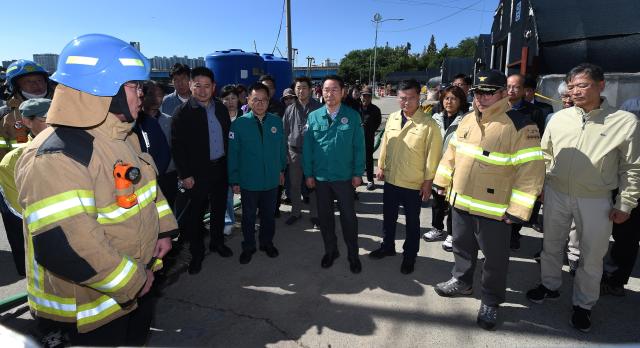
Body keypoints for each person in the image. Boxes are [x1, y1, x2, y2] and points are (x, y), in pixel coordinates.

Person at [15, 34, 177, 346]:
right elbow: (65, 246)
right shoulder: (58, 154)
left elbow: (148, 194)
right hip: (88, 314)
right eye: (135, 86)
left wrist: (164, 231)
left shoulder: (123, 137)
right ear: (104, 89)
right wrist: (134, 280)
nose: (142, 94)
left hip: (133, 291)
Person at [526, 63, 640, 333]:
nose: (575, 91)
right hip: (556, 193)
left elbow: (632, 167)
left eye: (582, 85)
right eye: (572, 86)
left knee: (591, 255)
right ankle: (550, 285)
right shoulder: (559, 118)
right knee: (551, 245)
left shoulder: (624, 122)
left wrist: (626, 203)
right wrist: (541, 185)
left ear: (601, 86)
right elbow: (544, 154)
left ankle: (584, 305)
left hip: (596, 199)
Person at [432, 70, 545, 331]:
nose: (481, 98)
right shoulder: (468, 119)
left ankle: (491, 300)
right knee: (462, 246)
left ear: (504, 93)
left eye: (489, 92)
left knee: (494, 259)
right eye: (477, 93)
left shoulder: (521, 125)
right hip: (460, 201)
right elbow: (452, 154)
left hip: (495, 209)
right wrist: (441, 181)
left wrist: (518, 210)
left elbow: (531, 171)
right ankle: (462, 281)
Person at [370, 79, 442, 274]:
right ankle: (387, 246)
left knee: (412, 222)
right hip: (392, 179)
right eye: (402, 98)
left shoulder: (429, 125)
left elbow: (432, 157)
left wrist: (428, 183)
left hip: (414, 182)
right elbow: (386, 143)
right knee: (389, 218)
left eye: (411, 98)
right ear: (398, 98)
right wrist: (381, 165)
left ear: (419, 97)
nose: (406, 102)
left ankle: (410, 256)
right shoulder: (393, 117)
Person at [172, 66, 233, 275]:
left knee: (218, 210)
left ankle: (217, 242)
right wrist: (184, 175)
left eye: (207, 86)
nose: (203, 90)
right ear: (191, 86)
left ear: (214, 87)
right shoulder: (182, 113)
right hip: (195, 175)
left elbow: (227, 140)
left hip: (220, 168)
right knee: (195, 216)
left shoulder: (221, 109)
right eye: (198, 85)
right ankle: (196, 253)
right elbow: (177, 147)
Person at [303, 75, 365, 274]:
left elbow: (359, 147)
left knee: (349, 218)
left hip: (344, 177)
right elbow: (308, 148)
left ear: (343, 92)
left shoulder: (353, 116)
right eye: (326, 90)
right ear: (321, 92)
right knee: (325, 218)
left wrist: (358, 172)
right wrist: (309, 173)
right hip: (321, 178)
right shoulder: (314, 116)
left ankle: (353, 255)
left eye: (334, 89)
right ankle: (331, 251)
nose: (329, 94)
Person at [228, 83, 286, 264]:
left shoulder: (276, 122)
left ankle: (266, 243)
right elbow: (233, 154)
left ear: (269, 101)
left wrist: (281, 170)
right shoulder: (239, 124)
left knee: (269, 215)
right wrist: (234, 179)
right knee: (248, 216)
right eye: (255, 100)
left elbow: (281, 149)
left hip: (271, 180)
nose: (260, 103)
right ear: (248, 101)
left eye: (263, 100)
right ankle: (249, 246)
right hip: (248, 181)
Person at [0, 98, 51, 277]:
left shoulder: (76, 146)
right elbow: (18, 211)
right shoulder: (12, 162)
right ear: (28, 122)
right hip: (45, 243)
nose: (54, 123)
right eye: (46, 119)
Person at [422, 85, 469, 252]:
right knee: (437, 202)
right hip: (436, 167)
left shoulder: (466, 120)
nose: (449, 102)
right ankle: (437, 228)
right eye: (447, 98)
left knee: (453, 204)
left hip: (455, 168)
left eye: (454, 98)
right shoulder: (435, 117)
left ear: (460, 101)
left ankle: (452, 233)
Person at [505, 73, 546, 251]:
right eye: (508, 86)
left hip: (521, 164)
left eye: (516, 87)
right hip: (500, 164)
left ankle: (514, 233)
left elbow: (538, 140)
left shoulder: (534, 112)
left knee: (517, 201)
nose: (511, 90)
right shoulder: (497, 109)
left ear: (524, 91)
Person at [282, 76, 322, 226]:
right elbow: (284, 133)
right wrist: (285, 153)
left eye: (304, 87)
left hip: (313, 154)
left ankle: (315, 214)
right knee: (294, 185)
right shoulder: (290, 109)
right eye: (298, 88)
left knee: (313, 185)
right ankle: (295, 212)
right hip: (294, 153)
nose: (301, 91)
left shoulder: (319, 108)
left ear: (310, 89)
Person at [0, 59, 54, 158]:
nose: (36, 85)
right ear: (15, 87)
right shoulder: (3, 116)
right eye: (28, 81)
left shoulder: (63, 109)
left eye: (39, 80)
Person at [221, 84, 243, 235]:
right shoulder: (217, 118)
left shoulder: (245, 118)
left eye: (233, 98)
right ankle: (229, 220)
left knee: (247, 193)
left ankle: (248, 218)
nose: (230, 102)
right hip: (223, 163)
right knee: (226, 194)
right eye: (226, 99)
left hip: (243, 163)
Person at [358, 86, 382, 191]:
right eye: (363, 96)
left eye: (367, 96)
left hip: (368, 138)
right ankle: (358, 179)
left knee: (368, 159)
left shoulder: (375, 110)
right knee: (356, 159)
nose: (365, 98)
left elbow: (378, 122)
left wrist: (369, 129)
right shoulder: (356, 108)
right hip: (356, 140)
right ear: (360, 96)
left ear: (371, 97)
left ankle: (370, 180)